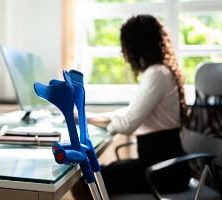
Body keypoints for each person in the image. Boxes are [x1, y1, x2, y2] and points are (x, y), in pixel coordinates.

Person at [72, 14, 190, 199]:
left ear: (136, 46)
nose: (123, 52)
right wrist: (87, 118)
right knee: (91, 176)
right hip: (161, 166)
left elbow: (127, 124)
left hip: (164, 171)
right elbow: (129, 113)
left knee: (86, 180)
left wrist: (99, 122)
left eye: (124, 46)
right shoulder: (158, 72)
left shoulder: (157, 74)